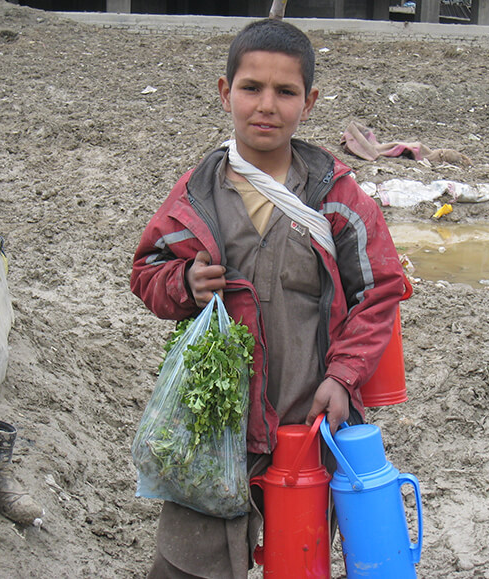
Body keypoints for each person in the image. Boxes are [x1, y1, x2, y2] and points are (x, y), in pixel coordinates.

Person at [130, 17, 408, 578]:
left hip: (308, 419)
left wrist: (345, 376)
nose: (266, 105)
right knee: (188, 562)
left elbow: (379, 292)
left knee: (297, 557)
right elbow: (147, 271)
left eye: (286, 92)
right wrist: (182, 285)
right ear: (224, 91)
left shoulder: (337, 196)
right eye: (251, 87)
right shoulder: (196, 196)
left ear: (309, 101)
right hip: (217, 418)